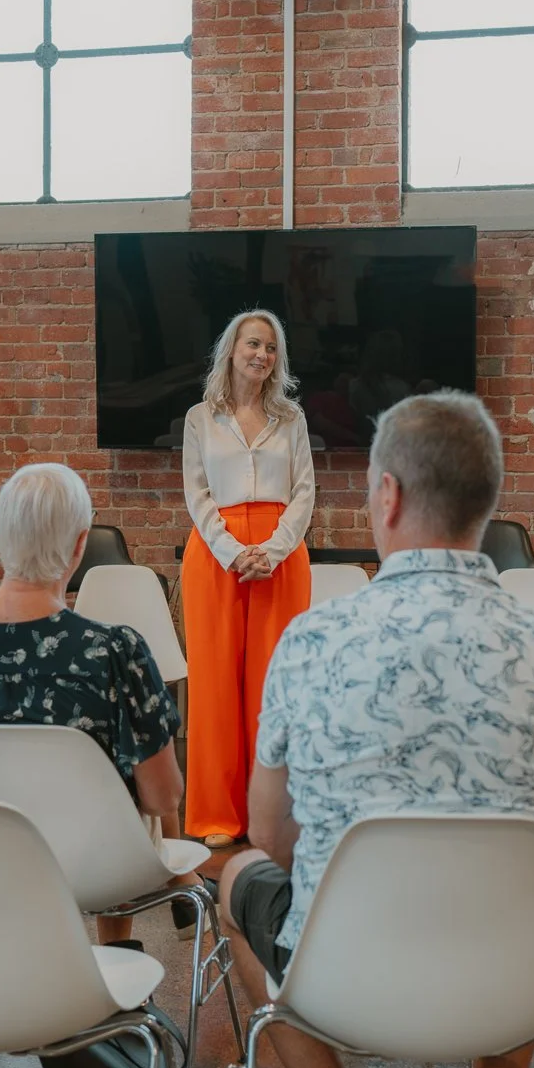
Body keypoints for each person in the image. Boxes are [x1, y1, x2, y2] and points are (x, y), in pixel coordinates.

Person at [219, 392, 534, 1068]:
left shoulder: (310, 642)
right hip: (511, 971)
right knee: (529, 889)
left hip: (340, 972)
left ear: (387, 496)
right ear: (485, 503)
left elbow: (270, 838)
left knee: (238, 877)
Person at [0, 462, 186, 944]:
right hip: (99, 868)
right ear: (79, 545)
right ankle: (121, 963)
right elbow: (163, 798)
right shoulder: (114, 651)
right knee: (135, 796)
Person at [180, 309, 315, 846]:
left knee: (274, 687)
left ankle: (270, 818)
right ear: (231, 351)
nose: (262, 355)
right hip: (215, 556)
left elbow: (305, 491)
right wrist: (235, 551)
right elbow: (197, 494)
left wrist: (274, 549)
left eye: (272, 348)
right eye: (253, 345)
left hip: (281, 555)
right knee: (214, 686)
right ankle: (216, 816)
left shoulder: (293, 418)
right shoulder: (199, 417)